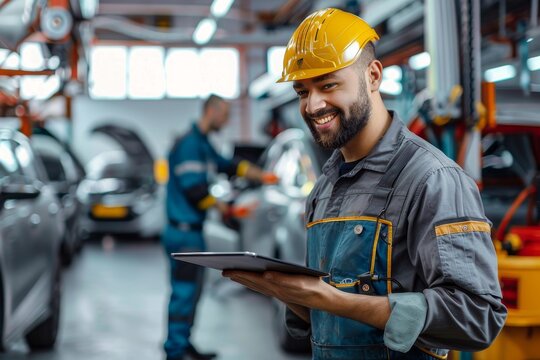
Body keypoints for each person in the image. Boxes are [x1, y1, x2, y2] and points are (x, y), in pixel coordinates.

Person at [223, 8, 507, 359]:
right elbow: (329, 320)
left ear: (373, 76)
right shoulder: (325, 188)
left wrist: (330, 298)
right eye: (301, 91)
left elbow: (477, 317)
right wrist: (287, 293)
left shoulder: (432, 179)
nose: (313, 105)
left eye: (328, 85)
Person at [162, 94, 277, 360]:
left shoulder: (202, 143)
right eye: (225, 114)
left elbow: (228, 165)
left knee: (192, 292)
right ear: (211, 111)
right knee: (184, 292)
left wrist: (260, 175)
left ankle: (182, 341)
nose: (227, 120)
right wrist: (228, 209)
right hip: (183, 233)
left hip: (190, 231)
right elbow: (195, 190)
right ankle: (175, 351)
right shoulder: (189, 145)